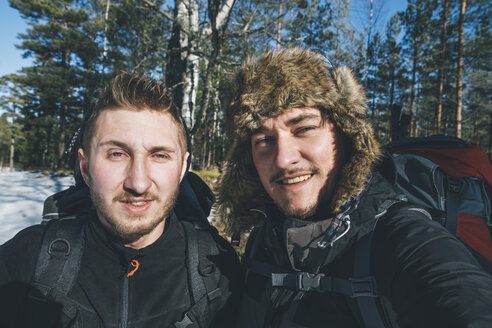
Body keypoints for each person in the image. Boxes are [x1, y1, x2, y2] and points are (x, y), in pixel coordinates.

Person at [216, 47, 492, 327]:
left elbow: (461, 297)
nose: (283, 159)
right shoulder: (261, 244)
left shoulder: (401, 237)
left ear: (345, 135)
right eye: (264, 140)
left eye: (304, 129)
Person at [0, 72, 241, 327]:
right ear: (85, 168)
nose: (137, 183)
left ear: (182, 169)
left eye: (159, 155)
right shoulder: (25, 261)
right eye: (117, 154)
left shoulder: (220, 270)